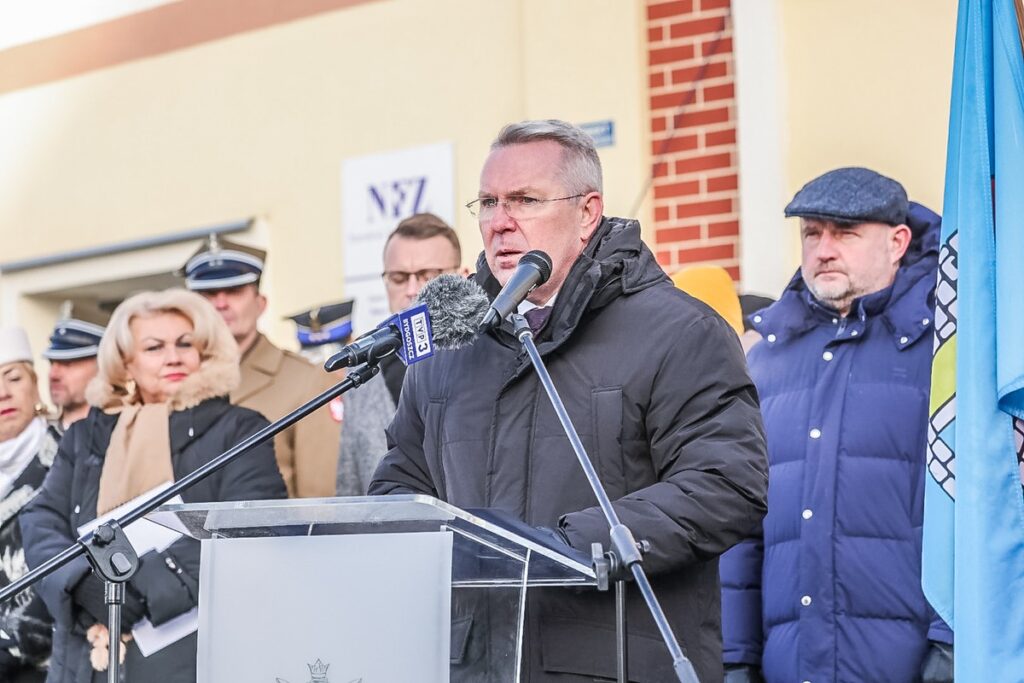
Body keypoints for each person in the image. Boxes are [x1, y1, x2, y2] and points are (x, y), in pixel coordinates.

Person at [369, 119, 768, 682]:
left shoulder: (679, 332)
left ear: (587, 213)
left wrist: (564, 549)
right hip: (474, 664)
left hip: (615, 661)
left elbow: (726, 485)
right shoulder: (446, 344)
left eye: (524, 200)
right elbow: (400, 486)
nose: (500, 223)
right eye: (487, 203)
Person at [720, 167, 953, 683]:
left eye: (845, 233)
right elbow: (739, 523)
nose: (824, 249)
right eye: (811, 233)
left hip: (913, 666)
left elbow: (971, 504)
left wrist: (952, 644)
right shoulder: (763, 361)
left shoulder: (945, 351)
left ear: (897, 242)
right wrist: (736, 658)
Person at [21, 289, 288, 683]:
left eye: (186, 344)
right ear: (126, 363)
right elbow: (42, 519)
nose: (174, 356)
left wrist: (138, 588)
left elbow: (248, 525)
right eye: (154, 347)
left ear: (206, 353)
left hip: (190, 651)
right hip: (85, 655)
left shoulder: (239, 429)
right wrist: (83, 583)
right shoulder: (85, 435)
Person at [181, 235, 340, 498]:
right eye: (208, 294)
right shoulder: (177, 380)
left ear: (260, 303)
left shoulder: (308, 380)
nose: (220, 303)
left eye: (234, 292)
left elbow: (318, 498)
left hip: (270, 537)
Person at [337, 213, 466, 496]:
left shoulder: (485, 357)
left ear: (462, 276)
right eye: (398, 278)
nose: (412, 290)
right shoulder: (364, 370)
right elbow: (350, 482)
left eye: (428, 276)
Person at [0, 328, 59, 682]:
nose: (3, 393)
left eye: (13, 378)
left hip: (41, 660)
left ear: (35, 383)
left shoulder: (70, 454)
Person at [42, 308, 104, 433]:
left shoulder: (122, 433)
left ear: (104, 365)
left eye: (68, 363)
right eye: (52, 362)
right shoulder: (38, 435)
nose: (53, 375)